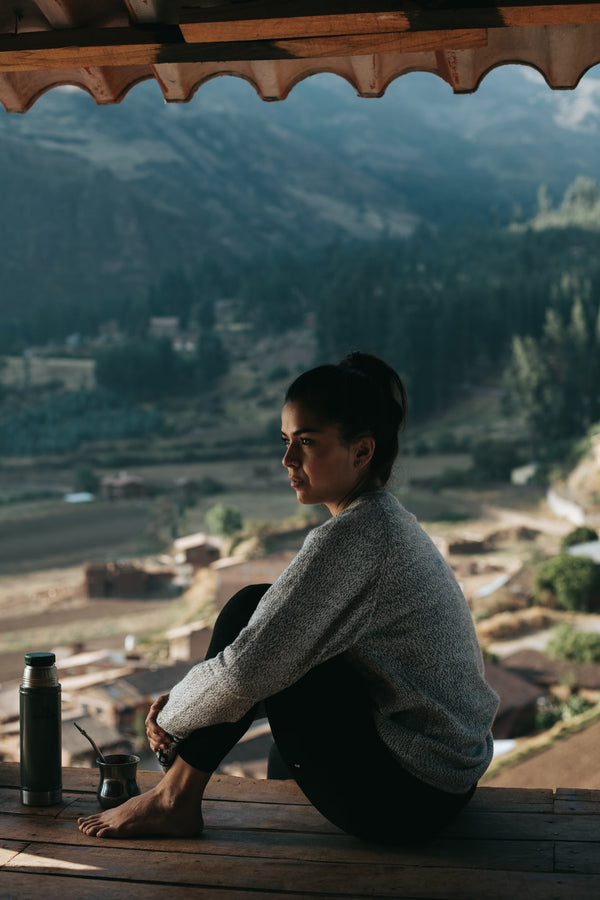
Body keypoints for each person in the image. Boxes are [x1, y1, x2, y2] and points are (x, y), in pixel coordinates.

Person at [78, 351, 498, 843]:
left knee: (253, 613)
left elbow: (244, 671)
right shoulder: (387, 521)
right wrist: (194, 706)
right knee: (269, 636)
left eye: (307, 443)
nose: (287, 460)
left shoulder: (355, 540)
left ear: (362, 452)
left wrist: (171, 719)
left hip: (412, 796)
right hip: (447, 781)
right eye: (285, 441)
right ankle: (179, 794)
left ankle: (174, 798)